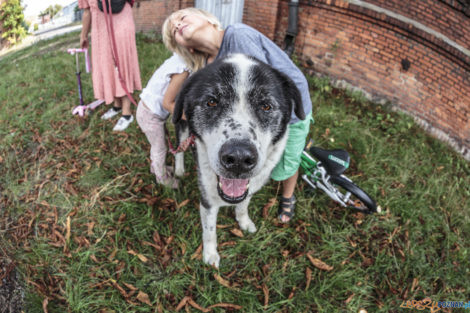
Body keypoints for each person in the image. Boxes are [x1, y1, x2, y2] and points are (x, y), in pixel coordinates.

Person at [162, 8, 313, 223]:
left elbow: (262, 90)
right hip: (256, 123)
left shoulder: (237, 35)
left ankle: (288, 196)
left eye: (183, 17)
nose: (177, 24)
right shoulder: (207, 67)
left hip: (289, 111)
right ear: (187, 47)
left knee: (288, 163)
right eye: (173, 30)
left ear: (210, 21)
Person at [78, 0, 142, 131]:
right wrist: (84, 35)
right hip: (100, 29)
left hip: (121, 21)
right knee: (107, 64)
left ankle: (127, 113)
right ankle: (117, 105)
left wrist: (83, 35)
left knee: (122, 62)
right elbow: (87, 10)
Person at [136, 53, 190, 189]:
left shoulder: (178, 59)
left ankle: (157, 167)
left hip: (148, 111)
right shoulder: (183, 69)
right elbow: (168, 104)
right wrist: (192, 118)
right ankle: (162, 178)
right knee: (160, 148)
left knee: (157, 144)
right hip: (150, 115)